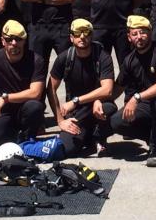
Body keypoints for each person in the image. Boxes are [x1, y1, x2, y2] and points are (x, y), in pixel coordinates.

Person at [0, 20, 47, 154]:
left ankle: (26, 139)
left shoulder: (36, 60)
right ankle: (7, 134)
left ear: (24, 40)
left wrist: (6, 97)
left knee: (35, 106)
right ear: (3, 41)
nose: (14, 43)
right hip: (2, 111)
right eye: (9, 39)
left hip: (24, 108)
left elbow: (36, 93)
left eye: (18, 39)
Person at [110, 15, 156, 167]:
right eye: (135, 33)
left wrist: (136, 97)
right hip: (147, 103)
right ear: (129, 37)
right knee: (117, 121)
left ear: (151, 33)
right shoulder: (130, 60)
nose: (139, 37)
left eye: (143, 32)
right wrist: (100, 100)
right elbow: (119, 86)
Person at [47, 19, 116, 157]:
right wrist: (60, 120)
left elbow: (107, 89)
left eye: (86, 33)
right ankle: (88, 137)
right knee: (68, 149)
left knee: (109, 108)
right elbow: (51, 89)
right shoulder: (64, 58)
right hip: (77, 112)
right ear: (71, 37)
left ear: (91, 35)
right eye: (78, 33)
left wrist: (76, 101)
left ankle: (99, 138)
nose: (82, 37)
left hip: (96, 106)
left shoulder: (102, 56)